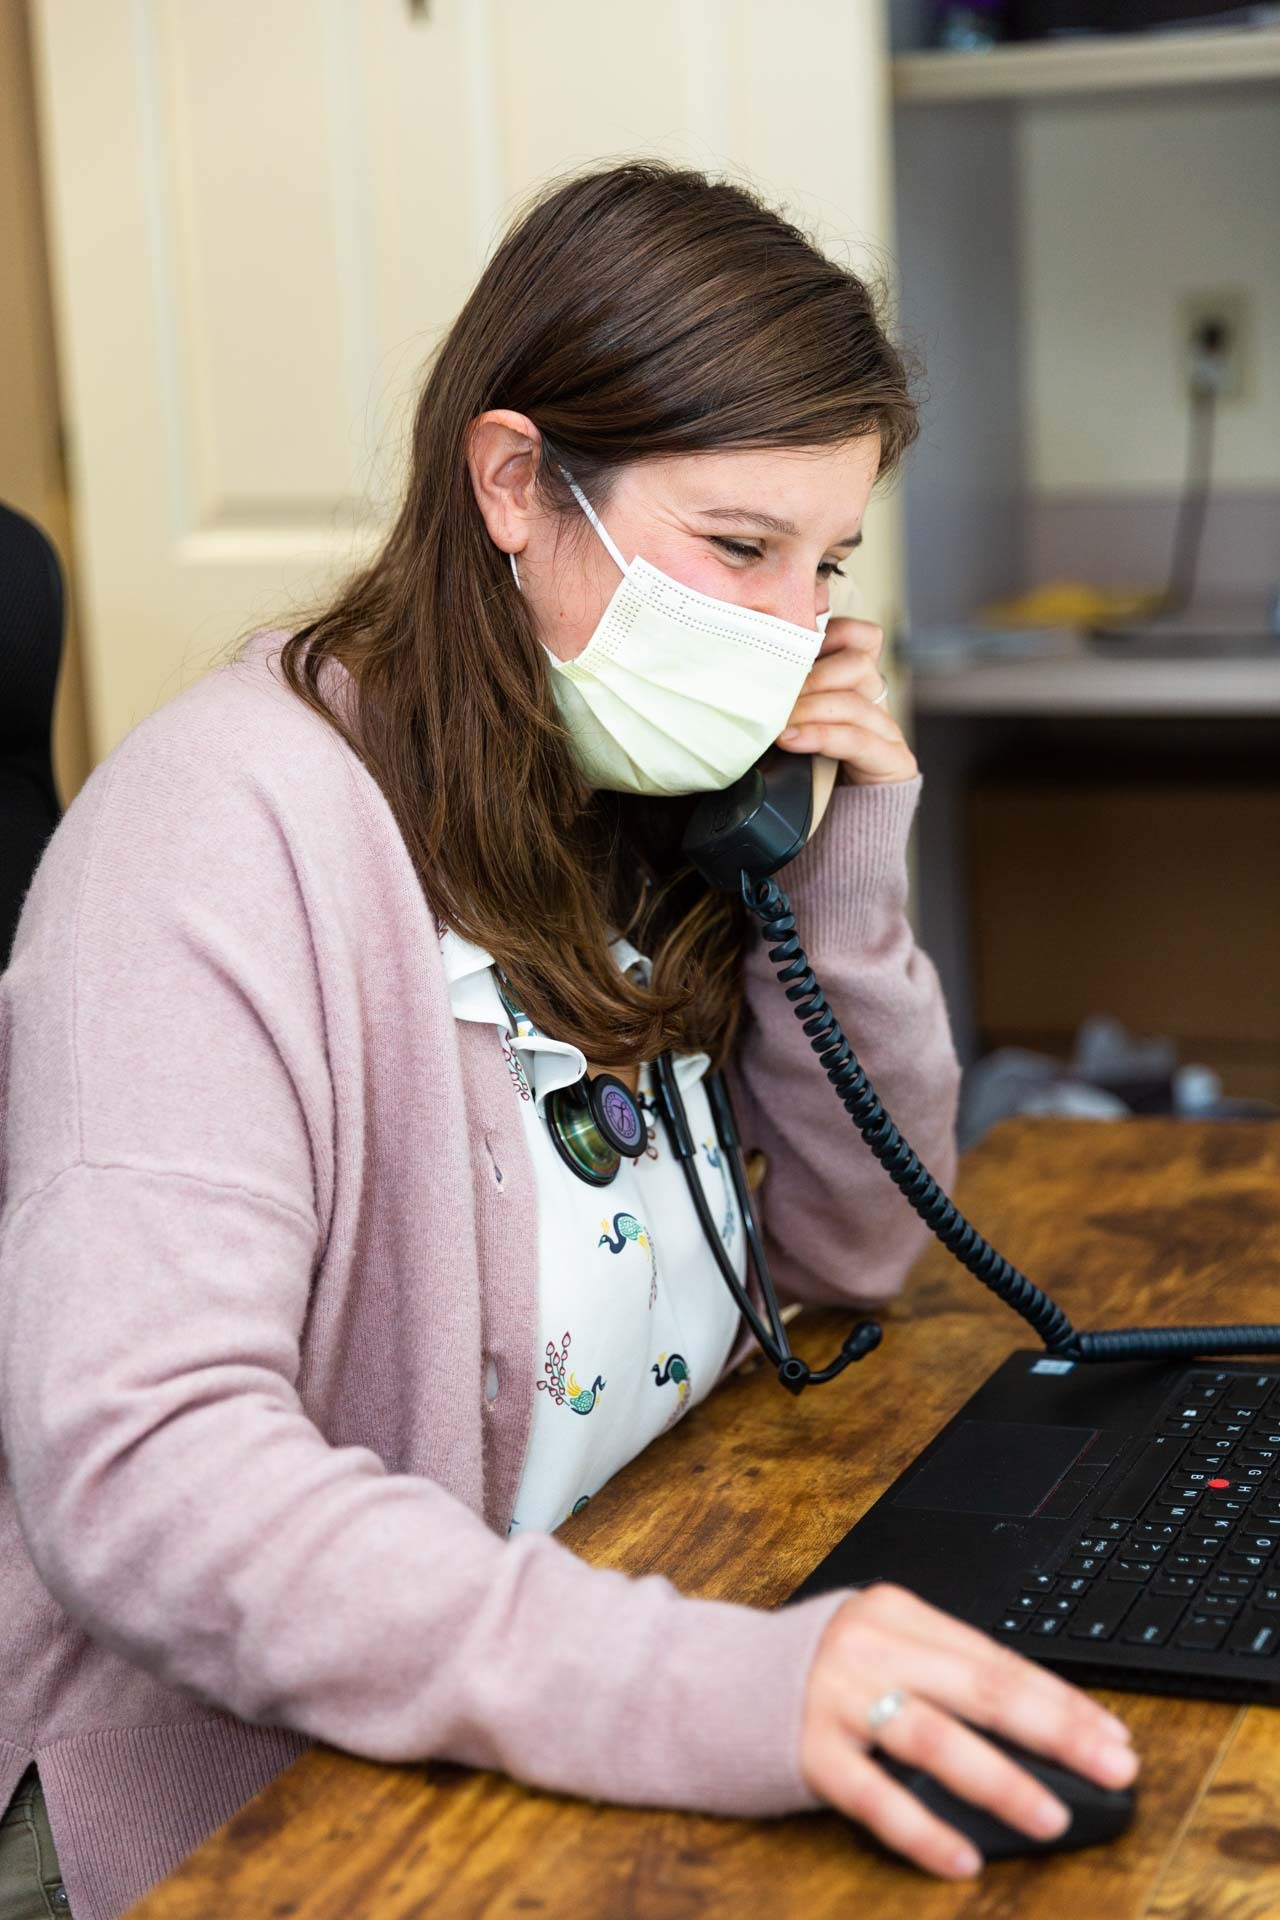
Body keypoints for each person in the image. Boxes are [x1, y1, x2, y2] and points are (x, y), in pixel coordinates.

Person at [0, 160, 1137, 1920]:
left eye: (824, 563)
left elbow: (850, 1250)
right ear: (517, 483)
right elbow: (148, 1473)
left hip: (596, 1609)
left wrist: (834, 861)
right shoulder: (214, 833)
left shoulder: (632, 781)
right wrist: (712, 1688)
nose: (785, 632)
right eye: (735, 548)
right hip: (242, 1809)